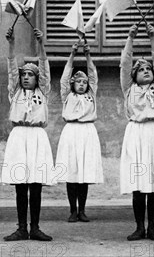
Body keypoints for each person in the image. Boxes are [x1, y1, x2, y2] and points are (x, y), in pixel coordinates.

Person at [1, 27, 55, 241]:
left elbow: (45, 68)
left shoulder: (43, 92)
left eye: (30, 75)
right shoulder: (14, 92)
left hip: (37, 137)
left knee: (35, 184)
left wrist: (41, 45)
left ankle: (35, 227)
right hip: (18, 136)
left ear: (37, 79)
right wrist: (11, 44)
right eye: (24, 75)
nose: (25, 78)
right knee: (21, 186)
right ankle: (21, 227)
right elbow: (11, 69)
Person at [120, 24, 154, 241]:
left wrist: (152, 38)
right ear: (134, 75)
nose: (146, 72)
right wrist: (130, 38)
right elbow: (124, 63)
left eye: (148, 69)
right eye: (141, 70)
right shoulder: (128, 88)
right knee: (139, 186)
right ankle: (139, 227)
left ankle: (153, 228)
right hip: (136, 133)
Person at [54, 40, 104, 223]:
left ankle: (82, 210)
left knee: (83, 173)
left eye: (85, 82)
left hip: (88, 132)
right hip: (71, 132)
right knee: (72, 173)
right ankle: (72, 210)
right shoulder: (67, 96)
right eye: (79, 82)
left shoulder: (91, 95)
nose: (82, 85)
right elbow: (64, 78)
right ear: (73, 84)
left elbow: (93, 75)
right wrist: (73, 54)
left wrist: (88, 55)